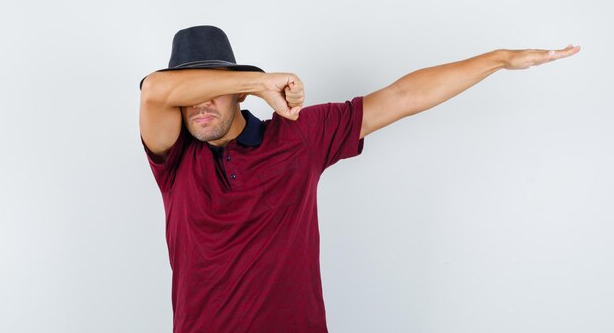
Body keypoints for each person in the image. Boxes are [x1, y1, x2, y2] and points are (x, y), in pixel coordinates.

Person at [139, 25, 580, 333]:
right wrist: (259, 81)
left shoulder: (297, 136)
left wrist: (499, 60)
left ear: (234, 90)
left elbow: (401, 97)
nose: (199, 105)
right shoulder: (174, 162)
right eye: (189, 93)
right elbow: (154, 91)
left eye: (210, 90)